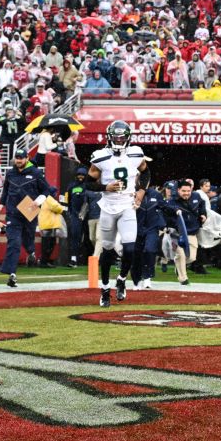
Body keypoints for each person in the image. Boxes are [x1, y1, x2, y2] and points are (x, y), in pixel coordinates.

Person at [86, 120, 149, 306]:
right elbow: (86, 183)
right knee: (107, 250)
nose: (119, 140)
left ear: (128, 138)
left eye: (122, 137)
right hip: (107, 207)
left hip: (128, 205)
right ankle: (105, 289)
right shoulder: (100, 156)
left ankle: (121, 279)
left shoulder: (136, 153)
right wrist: (105, 186)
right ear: (109, 137)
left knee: (130, 249)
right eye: (116, 137)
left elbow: (145, 173)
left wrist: (141, 192)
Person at [0, 148, 52, 287]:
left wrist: (39, 200)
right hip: (13, 213)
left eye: (21, 158)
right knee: (14, 242)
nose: (18, 161)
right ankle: (12, 274)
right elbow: (5, 190)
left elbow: (47, 189)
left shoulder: (35, 173)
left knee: (28, 238)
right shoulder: (10, 173)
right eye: (16, 158)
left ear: (27, 158)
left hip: (29, 210)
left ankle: (31, 252)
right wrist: (1, 204)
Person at [37, 187, 67, 266]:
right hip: (48, 224)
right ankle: (44, 261)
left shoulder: (43, 199)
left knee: (46, 243)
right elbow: (57, 208)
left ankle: (45, 260)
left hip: (45, 224)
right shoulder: (49, 198)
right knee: (49, 243)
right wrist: (62, 208)